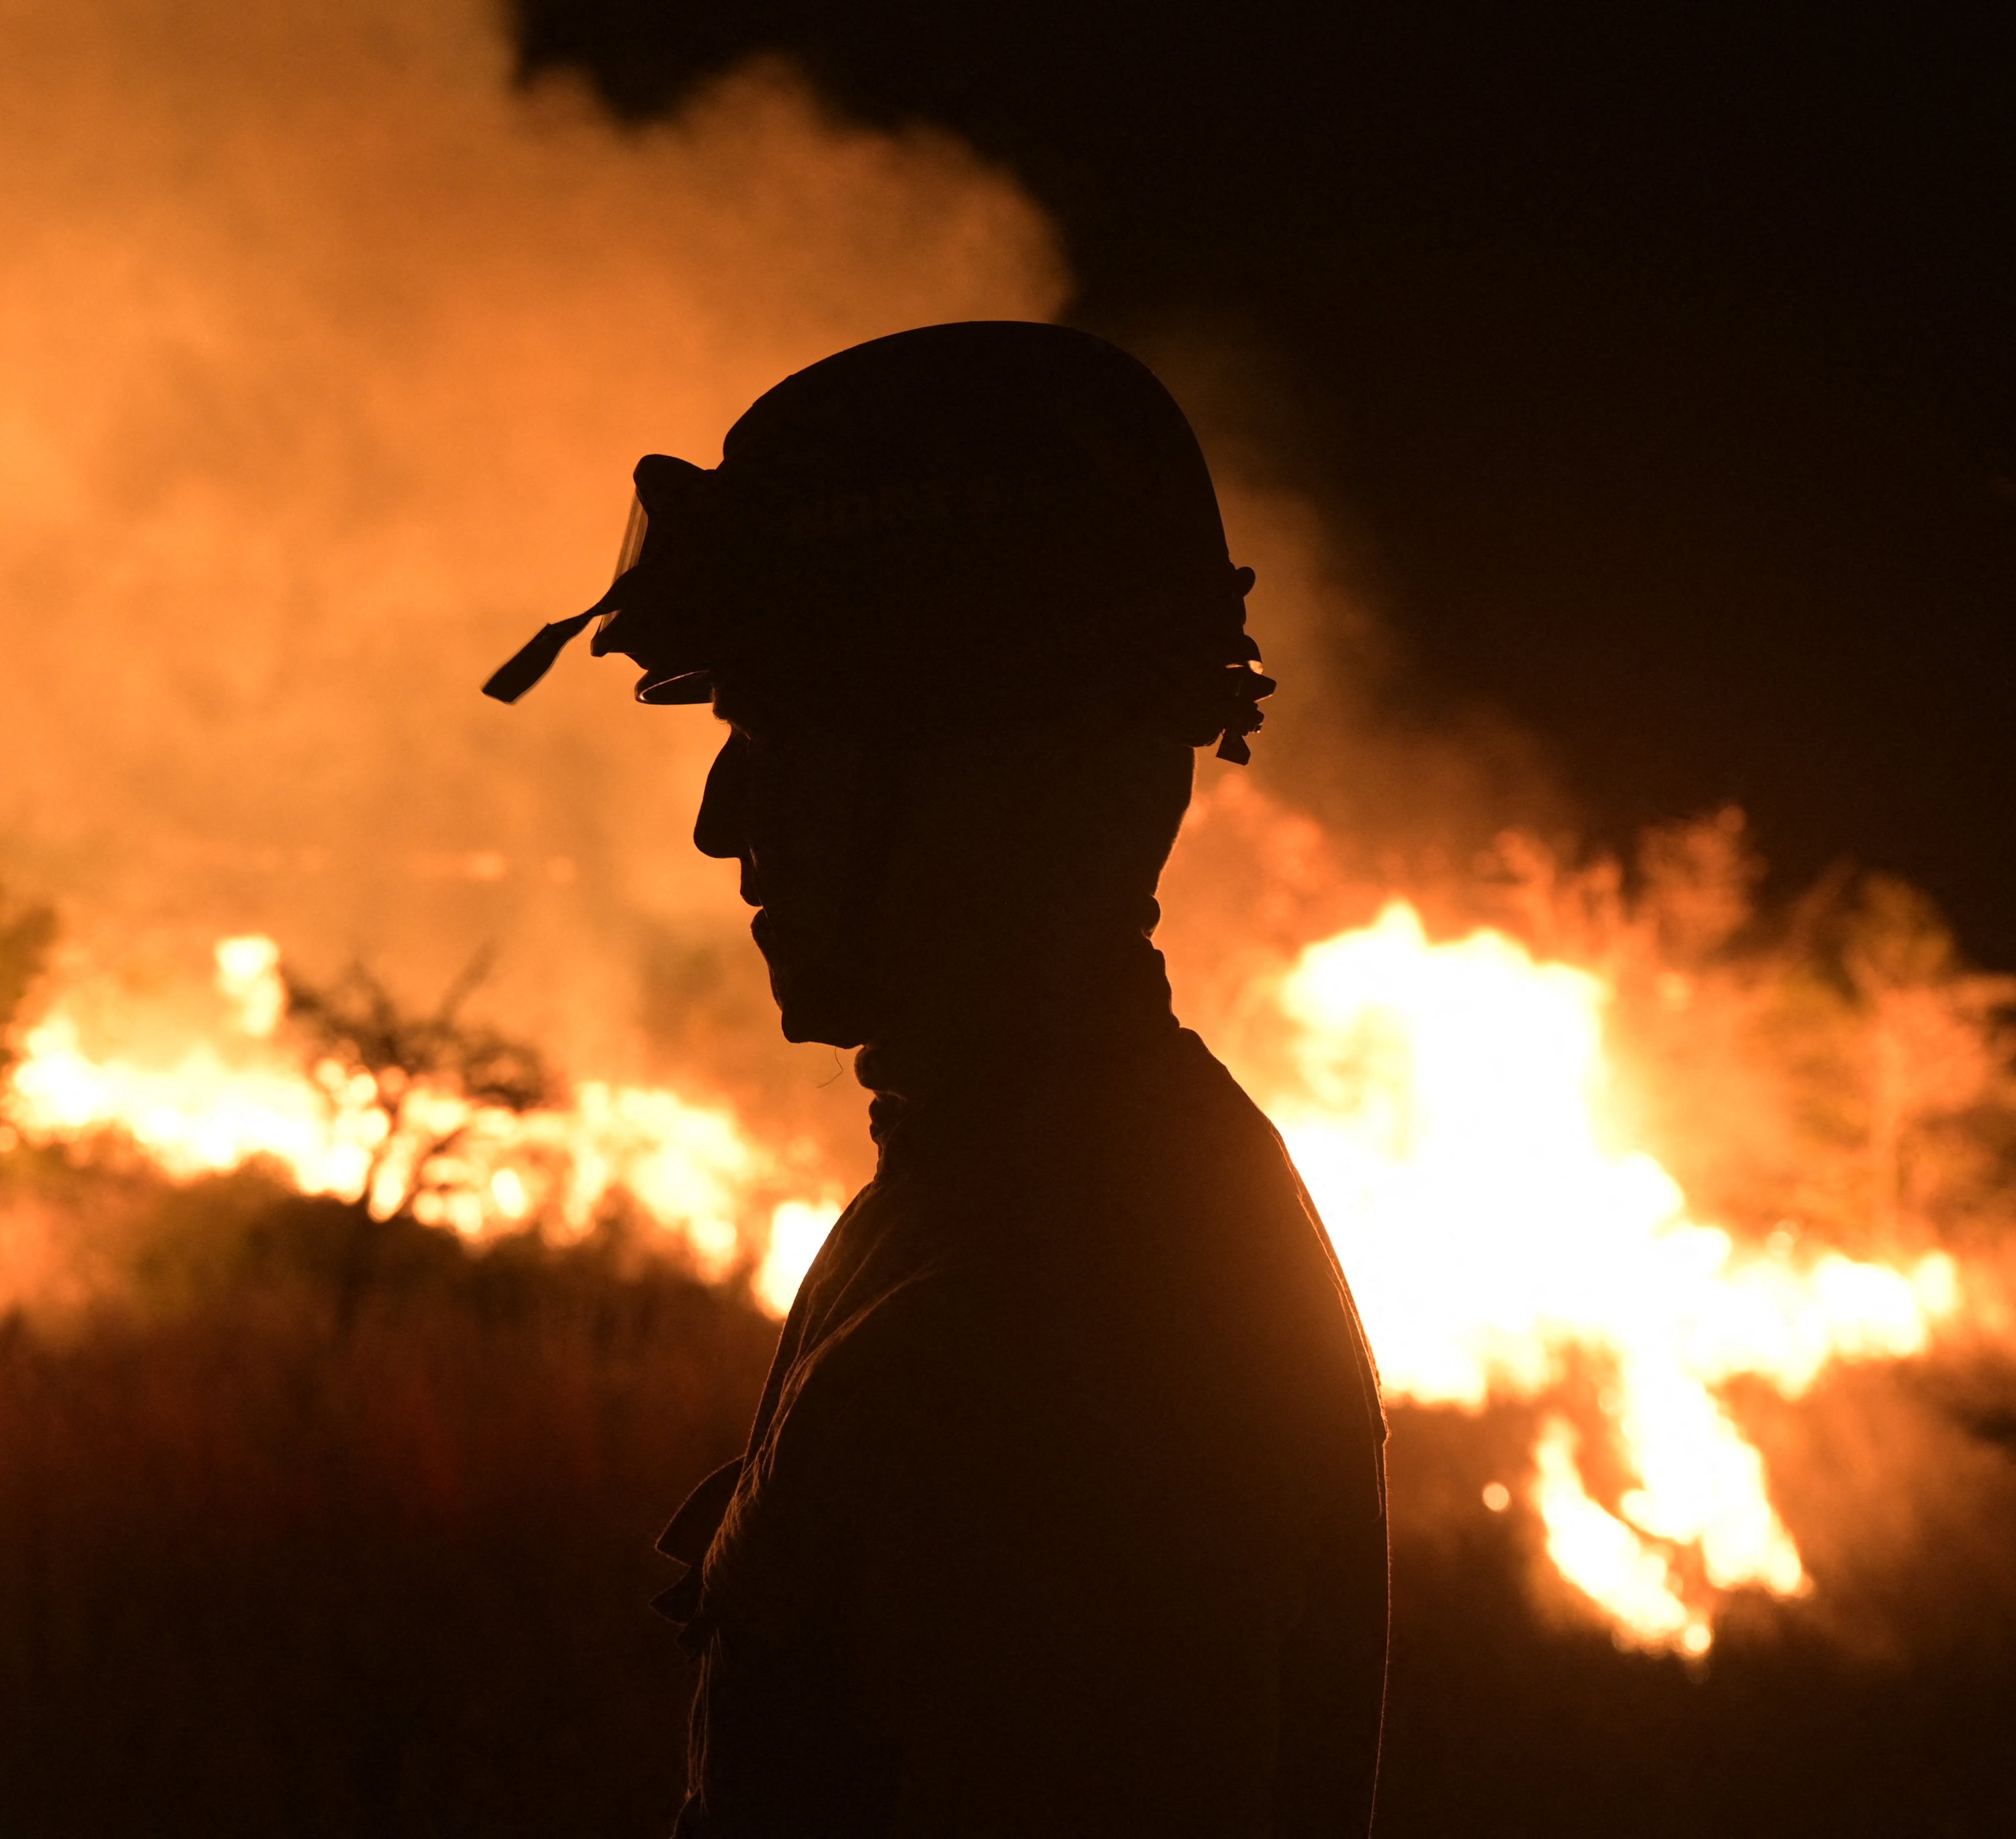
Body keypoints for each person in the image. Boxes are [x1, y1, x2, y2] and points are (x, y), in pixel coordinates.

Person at [486, 322, 1389, 1835]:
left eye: (776, 729)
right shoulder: (1005, 1199)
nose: (723, 821)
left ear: (995, 769)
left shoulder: (1073, 1322)